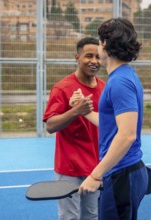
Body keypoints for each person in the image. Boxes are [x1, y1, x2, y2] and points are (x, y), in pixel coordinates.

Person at [75, 18, 148, 220]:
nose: (99, 46)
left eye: (99, 42)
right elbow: (114, 125)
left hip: (122, 174)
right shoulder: (123, 77)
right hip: (124, 173)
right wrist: (85, 111)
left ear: (105, 44)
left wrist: (95, 175)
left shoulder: (120, 82)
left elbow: (127, 135)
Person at [42, 37, 106, 220]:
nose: (94, 61)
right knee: (69, 218)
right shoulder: (62, 88)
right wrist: (76, 111)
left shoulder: (104, 88)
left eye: (98, 56)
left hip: (95, 168)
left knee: (91, 216)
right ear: (77, 57)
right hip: (69, 168)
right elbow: (50, 125)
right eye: (88, 56)